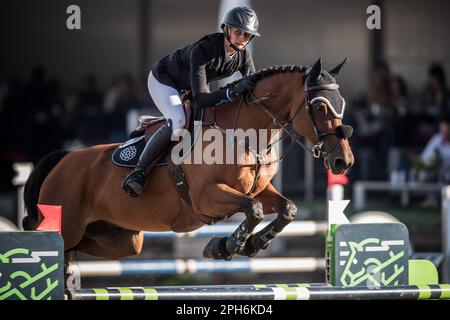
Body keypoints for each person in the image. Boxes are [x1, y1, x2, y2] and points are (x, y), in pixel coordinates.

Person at [122, 6, 260, 197]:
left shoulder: (243, 56)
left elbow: (254, 83)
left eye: (247, 35)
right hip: (164, 80)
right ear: (226, 29)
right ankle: (138, 172)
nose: (243, 39)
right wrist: (230, 92)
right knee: (178, 120)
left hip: (188, 87)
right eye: (238, 32)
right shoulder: (203, 50)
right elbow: (201, 99)